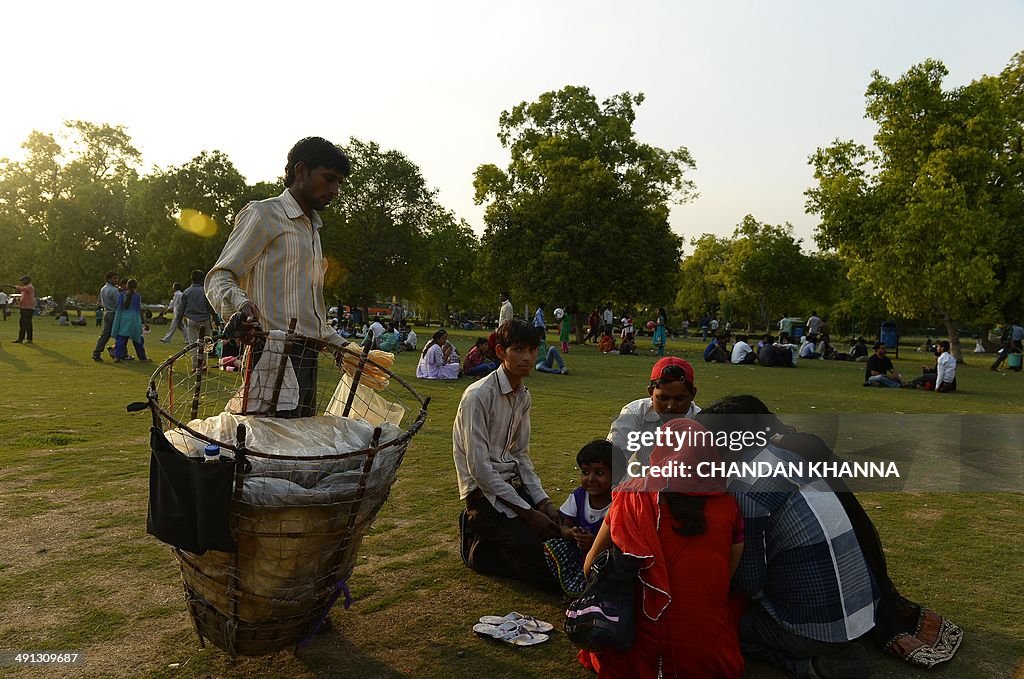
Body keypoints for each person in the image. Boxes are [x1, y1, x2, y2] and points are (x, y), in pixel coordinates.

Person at [695, 395, 961, 675]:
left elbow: (749, 582)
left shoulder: (744, 491)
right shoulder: (786, 457)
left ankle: (810, 666)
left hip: (815, 632)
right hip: (864, 616)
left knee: (721, 625)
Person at [579, 418, 745, 678]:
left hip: (634, 653)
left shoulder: (631, 495)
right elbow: (726, 576)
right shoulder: (728, 505)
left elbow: (591, 567)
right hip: (708, 659)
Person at [206, 137, 351, 417]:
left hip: (307, 359)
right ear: (301, 171)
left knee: (300, 450)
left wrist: (341, 346)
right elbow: (220, 276)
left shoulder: (313, 230)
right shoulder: (263, 214)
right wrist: (242, 308)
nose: (334, 190)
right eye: (329, 178)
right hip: (269, 355)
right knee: (268, 448)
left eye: (339, 183)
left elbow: (311, 312)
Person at [454, 319, 561, 590]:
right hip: (483, 498)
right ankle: (478, 547)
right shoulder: (477, 396)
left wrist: (543, 501)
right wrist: (528, 512)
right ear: (501, 352)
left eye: (532, 350)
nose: (527, 357)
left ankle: (497, 539)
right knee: (544, 567)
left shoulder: (523, 396)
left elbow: (521, 455)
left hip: (511, 491)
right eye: (519, 349)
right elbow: (480, 470)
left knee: (560, 536)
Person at [542, 440, 622, 597]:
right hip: (577, 553)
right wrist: (572, 533)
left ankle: (586, 591)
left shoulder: (618, 501)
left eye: (599, 473)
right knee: (552, 546)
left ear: (616, 475)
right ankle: (572, 587)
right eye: (585, 472)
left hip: (603, 557)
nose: (591, 478)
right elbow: (564, 527)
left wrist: (595, 542)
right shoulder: (578, 496)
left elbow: (618, 540)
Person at [608, 357, 701, 466]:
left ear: (693, 394)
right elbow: (612, 460)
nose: (671, 406)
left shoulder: (702, 421)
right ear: (651, 393)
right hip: (639, 481)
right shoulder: (635, 413)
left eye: (679, 399)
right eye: (663, 398)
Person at [178, 270, 217, 373]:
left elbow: (181, 309)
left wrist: (178, 321)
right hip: (204, 320)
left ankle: (195, 366)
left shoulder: (186, 292)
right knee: (205, 343)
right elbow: (210, 307)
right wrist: (215, 318)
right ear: (201, 279)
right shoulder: (205, 291)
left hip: (191, 320)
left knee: (193, 344)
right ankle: (203, 365)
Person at [110, 279, 150, 362]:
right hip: (134, 320)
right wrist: (145, 322)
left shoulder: (121, 295)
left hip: (123, 320)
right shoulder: (137, 296)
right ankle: (142, 357)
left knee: (121, 339)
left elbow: (118, 309)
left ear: (127, 286)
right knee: (138, 339)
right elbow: (139, 310)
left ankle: (117, 356)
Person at [11, 276, 35, 343]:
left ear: (28, 280)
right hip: (24, 308)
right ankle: (21, 338)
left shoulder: (29, 287)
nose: (22, 282)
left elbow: (20, 288)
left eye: (23, 280)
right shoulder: (26, 288)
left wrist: (11, 286)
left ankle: (29, 339)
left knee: (27, 324)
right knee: (22, 324)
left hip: (28, 308)